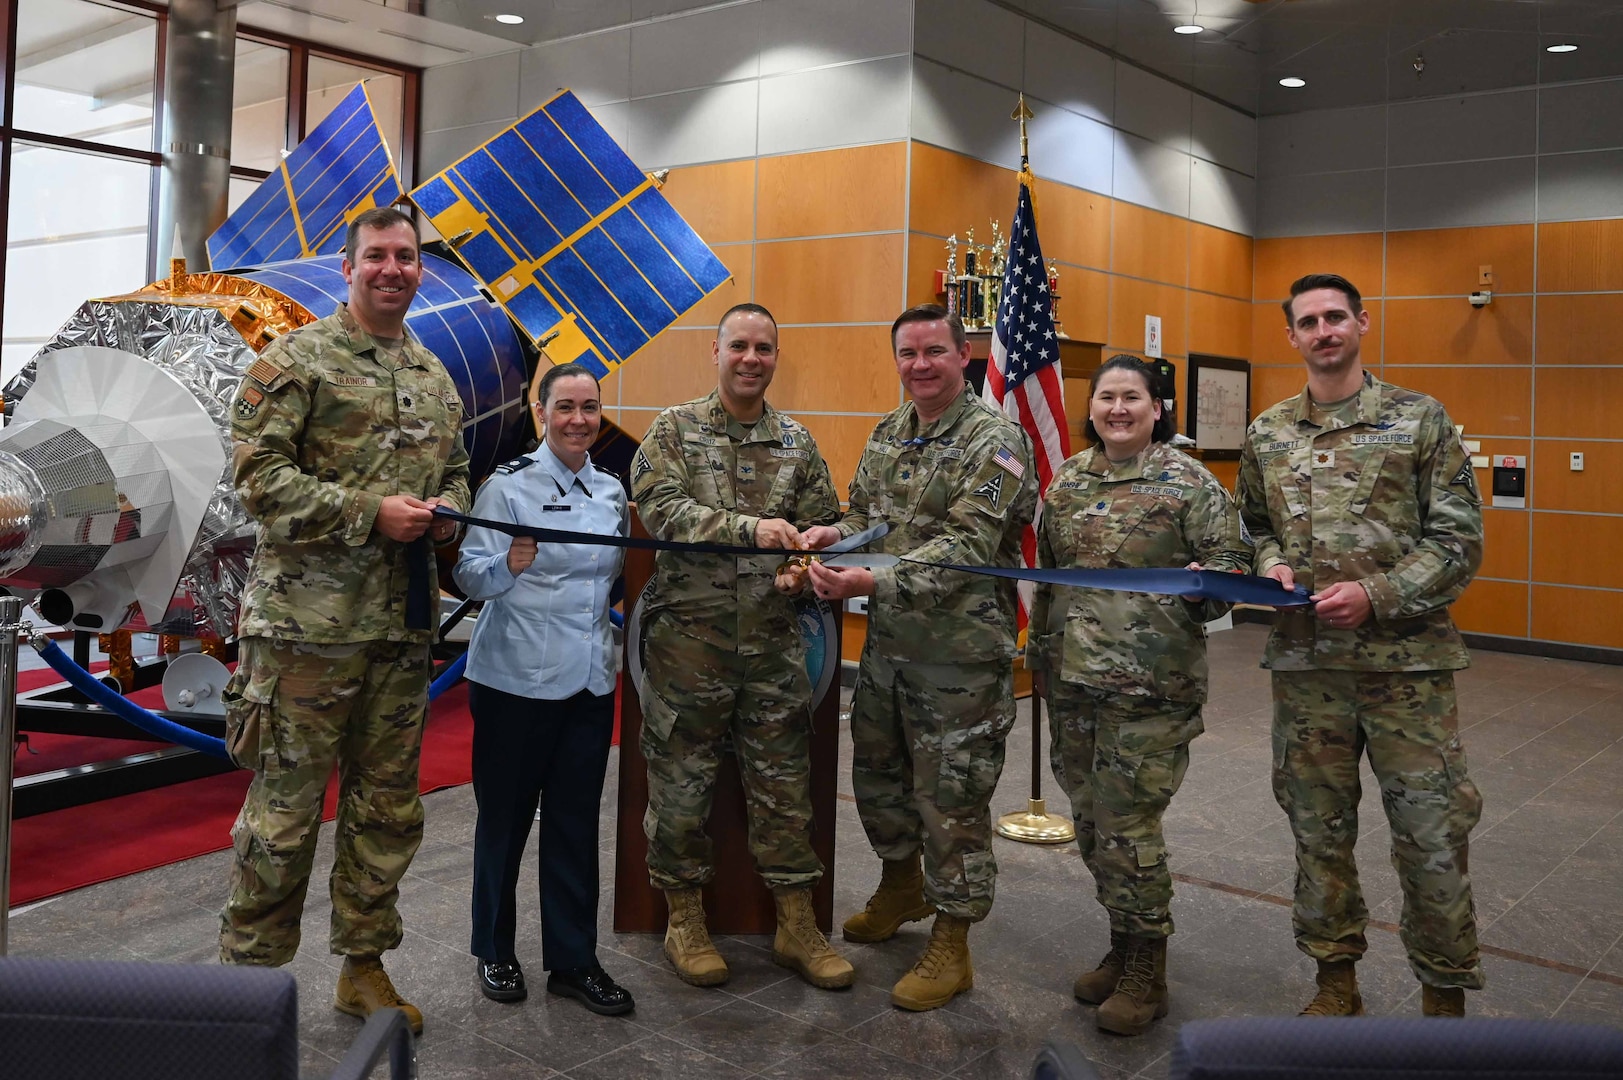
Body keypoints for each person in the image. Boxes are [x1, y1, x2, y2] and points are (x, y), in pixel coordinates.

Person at [219, 206, 470, 1036]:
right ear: (347, 267)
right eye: (376, 256)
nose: (391, 268)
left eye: (405, 256)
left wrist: (447, 517)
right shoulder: (297, 361)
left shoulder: (434, 374)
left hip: (398, 632)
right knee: (284, 817)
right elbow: (256, 481)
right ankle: (246, 988)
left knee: (386, 810)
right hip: (302, 636)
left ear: (420, 270)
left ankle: (363, 968)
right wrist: (370, 512)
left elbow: (461, 472)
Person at [1237, 272, 1485, 1018]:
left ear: (1361, 323)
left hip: (1406, 670)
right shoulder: (1268, 432)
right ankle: (1332, 979)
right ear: (1291, 336)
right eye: (1307, 321)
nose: (1323, 331)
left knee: (1430, 832)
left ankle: (1442, 994)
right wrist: (1265, 565)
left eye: (1335, 317)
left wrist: (1375, 595)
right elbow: (1252, 529)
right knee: (1317, 831)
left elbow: (1457, 541)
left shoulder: (1419, 420)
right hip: (1307, 671)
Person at [798, 304, 1037, 1012]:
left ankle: (953, 942)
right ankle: (901, 886)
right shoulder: (888, 433)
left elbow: (966, 547)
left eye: (934, 351)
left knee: (951, 800)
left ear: (963, 355)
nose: (920, 365)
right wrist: (829, 536)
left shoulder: (999, 445)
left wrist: (870, 578)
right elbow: (866, 516)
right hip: (890, 653)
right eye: (907, 353)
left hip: (960, 662)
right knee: (879, 777)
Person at [1025, 355, 1251, 1036]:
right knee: (1092, 827)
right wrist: (1039, 663)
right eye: (1106, 398)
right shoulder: (1067, 480)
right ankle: (1123, 942)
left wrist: (1205, 580)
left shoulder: (1189, 483)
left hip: (1149, 690)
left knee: (1128, 829)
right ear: (1090, 408)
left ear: (1157, 408)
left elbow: (1233, 569)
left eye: (1131, 397)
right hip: (1071, 684)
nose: (1117, 409)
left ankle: (1146, 968)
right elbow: (1052, 576)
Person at [630, 302, 854, 991]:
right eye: (739, 346)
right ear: (716, 353)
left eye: (763, 347)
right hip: (686, 650)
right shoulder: (672, 431)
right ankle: (683, 918)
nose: (751, 358)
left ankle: (795, 923)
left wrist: (810, 553)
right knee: (680, 787)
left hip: (771, 646)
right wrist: (746, 528)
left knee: (785, 788)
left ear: (774, 357)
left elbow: (824, 520)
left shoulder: (796, 441)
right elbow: (659, 507)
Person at [452, 363, 633, 1016]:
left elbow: (610, 578)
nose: (578, 419)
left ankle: (573, 960)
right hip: (515, 682)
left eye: (589, 407)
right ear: (539, 411)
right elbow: (469, 576)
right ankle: (494, 950)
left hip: (587, 681)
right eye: (565, 407)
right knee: (503, 822)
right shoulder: (506, 489)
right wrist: (506, 564)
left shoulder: (611, 490)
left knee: (574, 824)